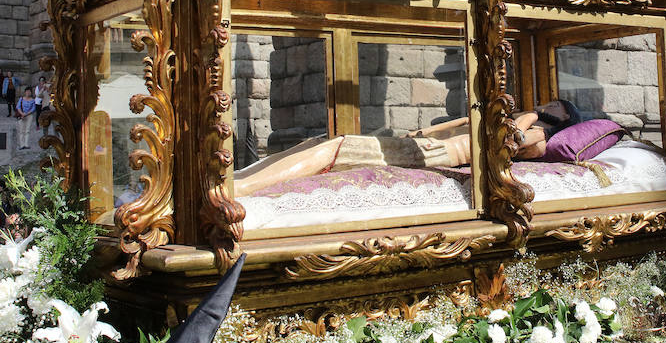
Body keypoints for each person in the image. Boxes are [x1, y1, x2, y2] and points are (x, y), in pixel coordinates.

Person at [234, 100, 582, 197]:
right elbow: (458, 122)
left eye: (555, 108)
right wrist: (424, 130)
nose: (544, 106)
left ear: (560, 120)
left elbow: (515, 141)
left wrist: (533, 115)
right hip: (428, 143)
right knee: (317, 143)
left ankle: (243, 188)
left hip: (439, 156)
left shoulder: (538, 135)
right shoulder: (512, 119)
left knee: (339, 147)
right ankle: (243, 175)